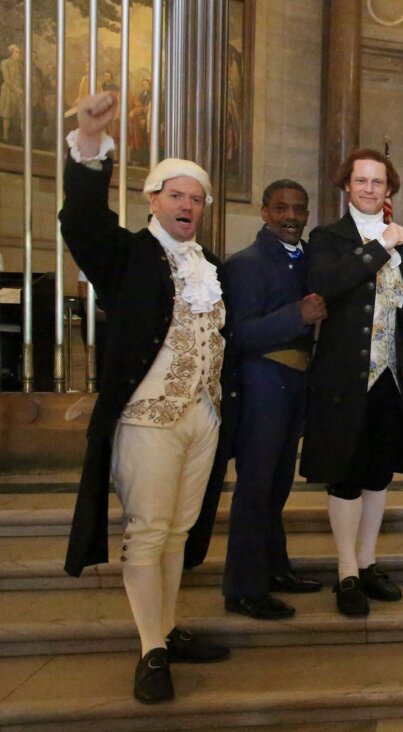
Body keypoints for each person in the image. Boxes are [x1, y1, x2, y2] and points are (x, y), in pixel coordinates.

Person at [61, 92, 231, 704]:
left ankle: (166, 627)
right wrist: (88, 144)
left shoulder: (210, 264)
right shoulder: (128, 255)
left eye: (196, 197)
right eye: (176, 195)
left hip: (203, 417)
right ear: (153, 200)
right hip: (147, 417)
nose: (188, 205)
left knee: (180, 534)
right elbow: (81, 223)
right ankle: (150, 650)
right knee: (148, 530)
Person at [299, 149, 403, 618]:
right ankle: (345, 570)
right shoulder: (327, 238)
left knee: (378, 472)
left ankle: (368, 560)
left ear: (388, 190)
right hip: (342, 377)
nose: (368, 189)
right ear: (347, 186)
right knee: (345, 474)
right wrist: (381, 246)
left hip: (390, 378)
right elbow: (327, 285)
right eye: (360, 181)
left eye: (377, 182)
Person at [220, 180, 327, 620]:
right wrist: (295, 316)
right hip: (261, 382)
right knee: (255, 487)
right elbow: (238, 333)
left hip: (296, 386)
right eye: (282, 208)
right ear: (264, 212)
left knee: (278, 485)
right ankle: (243, 588)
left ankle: (274, 567)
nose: (291, 216)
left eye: (299, 209)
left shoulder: (308, 261)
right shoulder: (245, 264)